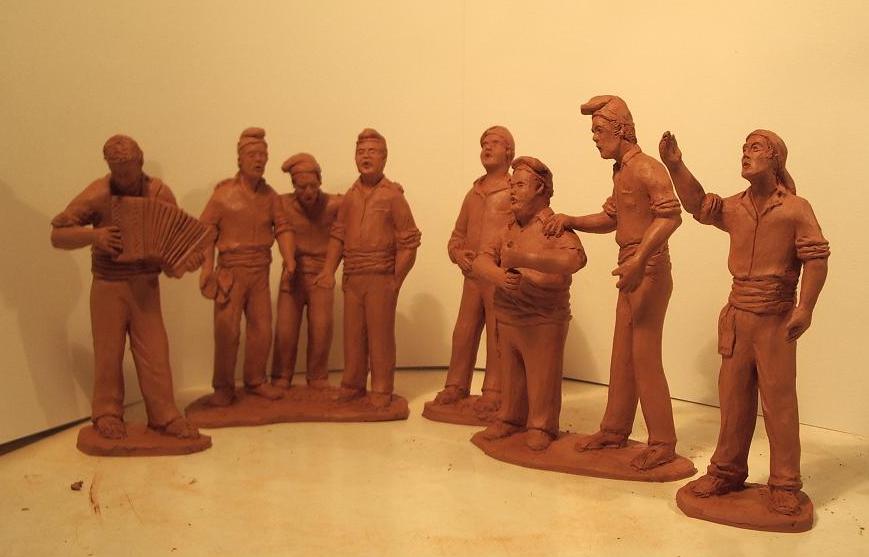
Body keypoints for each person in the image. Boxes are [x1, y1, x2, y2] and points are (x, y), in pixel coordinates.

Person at [659, 129, 829, 515]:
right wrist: (675, 165)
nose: (745, 154)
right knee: (733, 398)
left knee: (779, 402)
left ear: (775, 159)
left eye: (755, 148)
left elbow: (816, 258)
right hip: (738, 316)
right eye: (744, 148)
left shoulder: (796, 209)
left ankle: (785, 482)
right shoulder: (735, 206)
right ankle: (726, 471)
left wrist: (805, 308)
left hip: (775, 318)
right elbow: (698, 205)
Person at [544, 95, 682, 470]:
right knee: (622, 354)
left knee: (644, 356)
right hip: (631, 269)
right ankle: (614, 429)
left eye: (598, 131)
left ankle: (663, 441)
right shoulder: (621, 171)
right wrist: (571, 220)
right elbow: (612, 219)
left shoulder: (648, 168)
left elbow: (671, 218)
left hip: (649, 269)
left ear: (620, 130)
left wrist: (640, 258)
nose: (594, 138)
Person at [50, 134, 199, 440]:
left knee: (155, 351)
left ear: (140, 162)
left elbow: (175, 241)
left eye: (129, 173)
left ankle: (164, 415)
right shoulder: (98, 192)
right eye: (117, 173)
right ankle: (106, 412)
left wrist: (186, 260)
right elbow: (58, 236)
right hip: (108, 284)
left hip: (145, 285)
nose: (124, 180)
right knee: (108, 352)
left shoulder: (159, 192)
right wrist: (95, 236)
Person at [475, 156, 586, 451]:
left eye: (520, 185)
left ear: (539, 189)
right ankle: (510, 418)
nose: (512, 191)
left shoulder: (554, 227)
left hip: (543, 317)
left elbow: (574, 259)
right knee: (510, 372)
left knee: (542, 375)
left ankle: (541, 425)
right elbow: (481, 260)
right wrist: (499, 276)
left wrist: (525, 260)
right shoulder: (507, 228)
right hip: (508, 314)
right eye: (511, 185)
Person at [316, 128, 421, 408]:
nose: (366, 157)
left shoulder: (393, 196)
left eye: (372, 152)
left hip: (380, 276)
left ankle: (382, 388)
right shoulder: (349, 197)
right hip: (353, 277)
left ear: (384, 158)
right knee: (352, 335)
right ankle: (352, 384)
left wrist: (395, 280)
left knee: (380, 336)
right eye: (361, 152)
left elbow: (409, 242)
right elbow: (338, 235)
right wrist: (328, 270)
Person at [199, 127, 295, 406]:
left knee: (262, 329)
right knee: (226, 331)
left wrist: (289, 259)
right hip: (230, 271)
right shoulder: (223, 195)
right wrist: (207, 268)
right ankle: (223, 386)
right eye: (253, 155)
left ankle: (256, 380)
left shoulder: (271, 197)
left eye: (263, 155)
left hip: (259, 271)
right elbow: (205, 233)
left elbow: (283, 228)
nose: (259, 160)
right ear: (240, 159)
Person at [432, 125, 514, 413]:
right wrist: (458, 254)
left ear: (509, 151)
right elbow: (456, 236)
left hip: (496, 276)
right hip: (472, 278)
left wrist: (504, 262)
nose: (487, 148)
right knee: (463, 331)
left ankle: (494, 390)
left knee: (497, 333)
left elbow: (520, 232)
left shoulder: (513, 192)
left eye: (494, 143)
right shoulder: (473, 194)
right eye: (484, 144)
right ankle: (456, 384)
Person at [271, 153, 342, 390]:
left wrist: (393, 189)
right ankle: (281, 376)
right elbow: (256, 202)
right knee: (285, 330)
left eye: (313, 185)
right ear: (293, 185)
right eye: (302, 187)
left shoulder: (334, 204)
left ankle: (318, 376)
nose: (308, 192)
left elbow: (362, 198)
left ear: (320, 180)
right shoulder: (281, 204)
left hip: (321, 273)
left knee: (321, 328)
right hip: (293, 274)